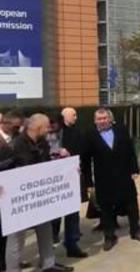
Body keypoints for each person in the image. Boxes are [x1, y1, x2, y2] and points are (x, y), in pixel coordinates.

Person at [5, 114, 73, 272]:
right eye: (47, 126)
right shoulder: (17, 145)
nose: (49, 129)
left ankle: (48, 264)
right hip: (19, 199)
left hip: (39, 196)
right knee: (16, 236)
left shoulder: (42, 142)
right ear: (39, 128)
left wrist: (62, 159)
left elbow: (46, 164)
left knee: (45, 229)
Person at [81, 108, 140, 251]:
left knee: (131, 204)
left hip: (124, 175)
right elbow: (85, 161)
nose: (102, 121)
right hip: (103, 178)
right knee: (106, 209)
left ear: (109, 119)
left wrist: (134, 169)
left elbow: (131, 150)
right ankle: (109, 236)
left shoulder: (121, 130)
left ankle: (135, 230)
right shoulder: (90, 135)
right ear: (95, 120)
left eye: (104, 118)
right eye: (99, 119)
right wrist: (88, 182)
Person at [49, 108, 87, 258]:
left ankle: (72, 243)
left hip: (69, 178)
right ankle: (51, 243)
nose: (51, 128)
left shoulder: (75, 132)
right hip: (50, 181)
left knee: (72, 212)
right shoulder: (42, 137)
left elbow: (81, 152)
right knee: (53, 214)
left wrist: (69, 154)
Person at [0, 111, 24, 272]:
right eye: (15, 126)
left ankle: (6, 263)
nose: (18, 129)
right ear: (6, 124)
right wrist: (12, 161)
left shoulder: (16, 139)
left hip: (11, 191)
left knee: (7, 232)